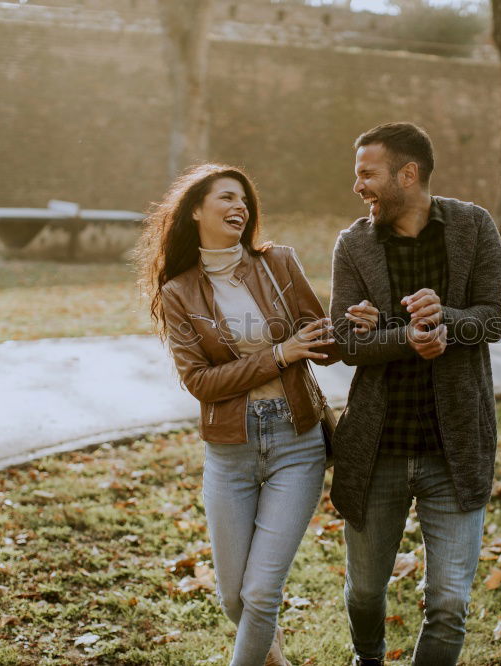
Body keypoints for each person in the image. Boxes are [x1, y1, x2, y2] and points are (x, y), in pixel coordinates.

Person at [136, 164, 343, 666]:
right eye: (226, 197)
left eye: (244, 200)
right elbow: (200, 383)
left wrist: (347, 326)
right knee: (234, 597)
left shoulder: (278, 263)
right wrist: (279, 355)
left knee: (261, 592)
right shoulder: (179, 292)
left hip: (296, 442)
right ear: (195, 211)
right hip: (230, 453)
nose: (240, 207)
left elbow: (322, 346)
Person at [328, 123, 501, 665]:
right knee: (364, 593)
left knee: (450, 603)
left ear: (408, 174)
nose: (357, 185)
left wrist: (448, 322)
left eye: (367, 174)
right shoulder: (354, 243)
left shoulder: (473, 227)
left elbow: (494, 319)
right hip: (377, 448)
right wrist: (401, 336)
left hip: (453, 450)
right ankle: (369, 659)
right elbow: (345, 341)